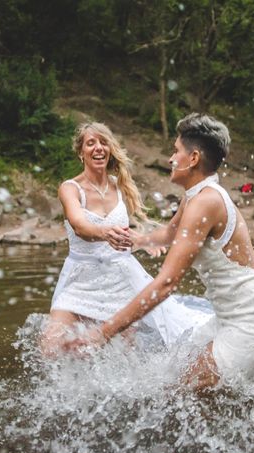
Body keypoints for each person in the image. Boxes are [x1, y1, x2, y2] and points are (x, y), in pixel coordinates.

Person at [65, 113, 254, 390]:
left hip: (253, 321)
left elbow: (167, 283)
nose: (171, 158)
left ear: (193, 159)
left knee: (182, 397)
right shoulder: (196, 195)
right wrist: (141, 240)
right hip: (236, 315)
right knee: (177, 381)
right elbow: (170, 233)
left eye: (176, 151)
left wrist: (103, 332)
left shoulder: (205, 203)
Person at [40, 121, 209, 356]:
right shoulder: (70, 188)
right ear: (81, 152)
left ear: (110, 150)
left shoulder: (120, 186)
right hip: (80, 280)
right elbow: (79, 225)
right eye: (91, 143)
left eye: (103, 142)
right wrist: (104, 233)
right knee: (50, 349)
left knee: (122, 356)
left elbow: (125, 228)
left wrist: (142, 241)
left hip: (120, 279)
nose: (98, 148)